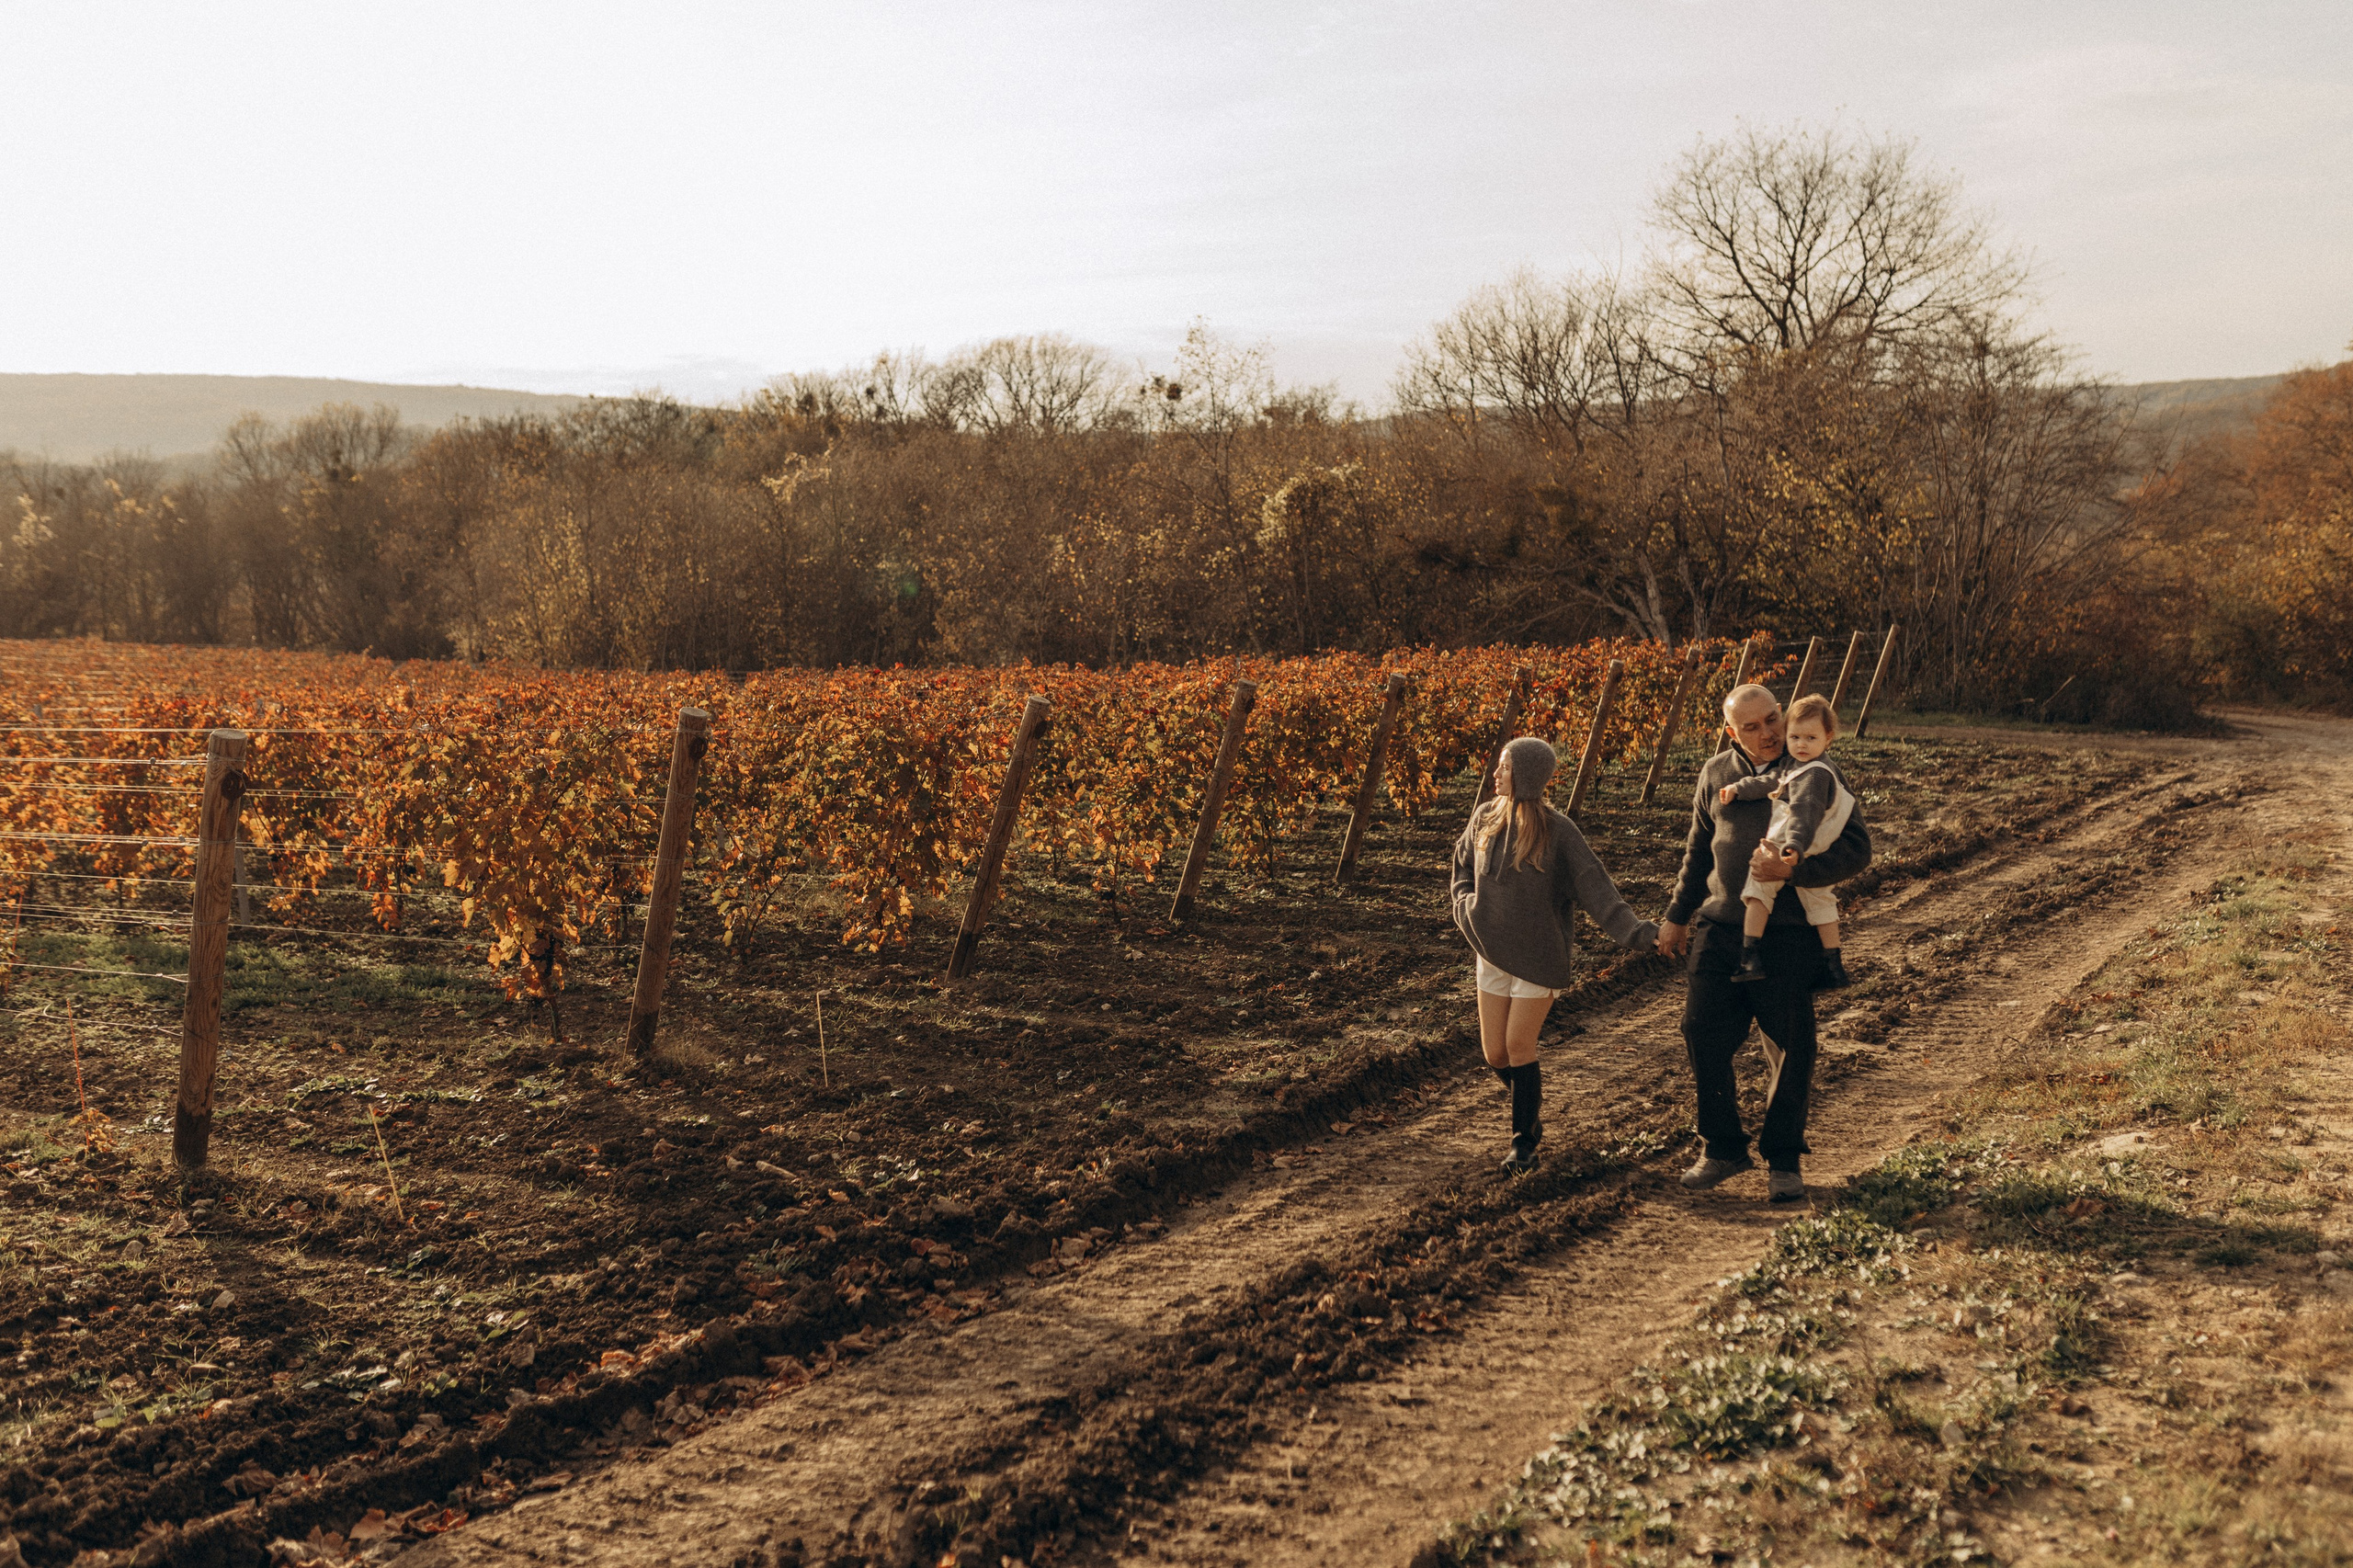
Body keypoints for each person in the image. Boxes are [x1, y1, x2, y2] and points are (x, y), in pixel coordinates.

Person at [1656, 684, 1871, 1202]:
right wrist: (1677, 916)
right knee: (1700, 1032)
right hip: (1721, 925)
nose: (1769, 733)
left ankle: (1784, 1157)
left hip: (1789, 933)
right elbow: (1699, 852)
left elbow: (1858, 852)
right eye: (1751, 726)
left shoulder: (1819, 773)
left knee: (1791, 1044)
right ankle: (1724, 1148)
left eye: (1772, 719)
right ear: (1732, 733)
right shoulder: (1715, 774)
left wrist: (1793, 871)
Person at [1451, 735, 1658, 1174]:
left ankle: (1523, 1142)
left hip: (1541, 957)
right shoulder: (1484, 818)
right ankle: (1530, 1112)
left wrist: (1640, 934)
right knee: (1495, 1055)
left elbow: (1597, 891)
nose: (1495, 774)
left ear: (1524, 776)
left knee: (1519, 1046)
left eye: (1504, 767)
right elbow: (1462, 868)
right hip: (1491, 952)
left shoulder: (1559, 832)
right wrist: (1465, 906)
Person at [1716, 692, 1855, 989]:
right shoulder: (1798, 766)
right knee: (1820, 901)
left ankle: (1749, 954)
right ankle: (1834, 965)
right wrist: (1738, 789)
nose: (1801, 745)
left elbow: (1805, 813)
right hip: (1811, 845)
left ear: (1828, 738)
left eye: (1810, 738)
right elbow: (1770, 781)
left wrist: (1793, 846)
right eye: (1795, 737)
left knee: (1757, 891)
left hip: (1793, 843)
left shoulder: (1814, 775)